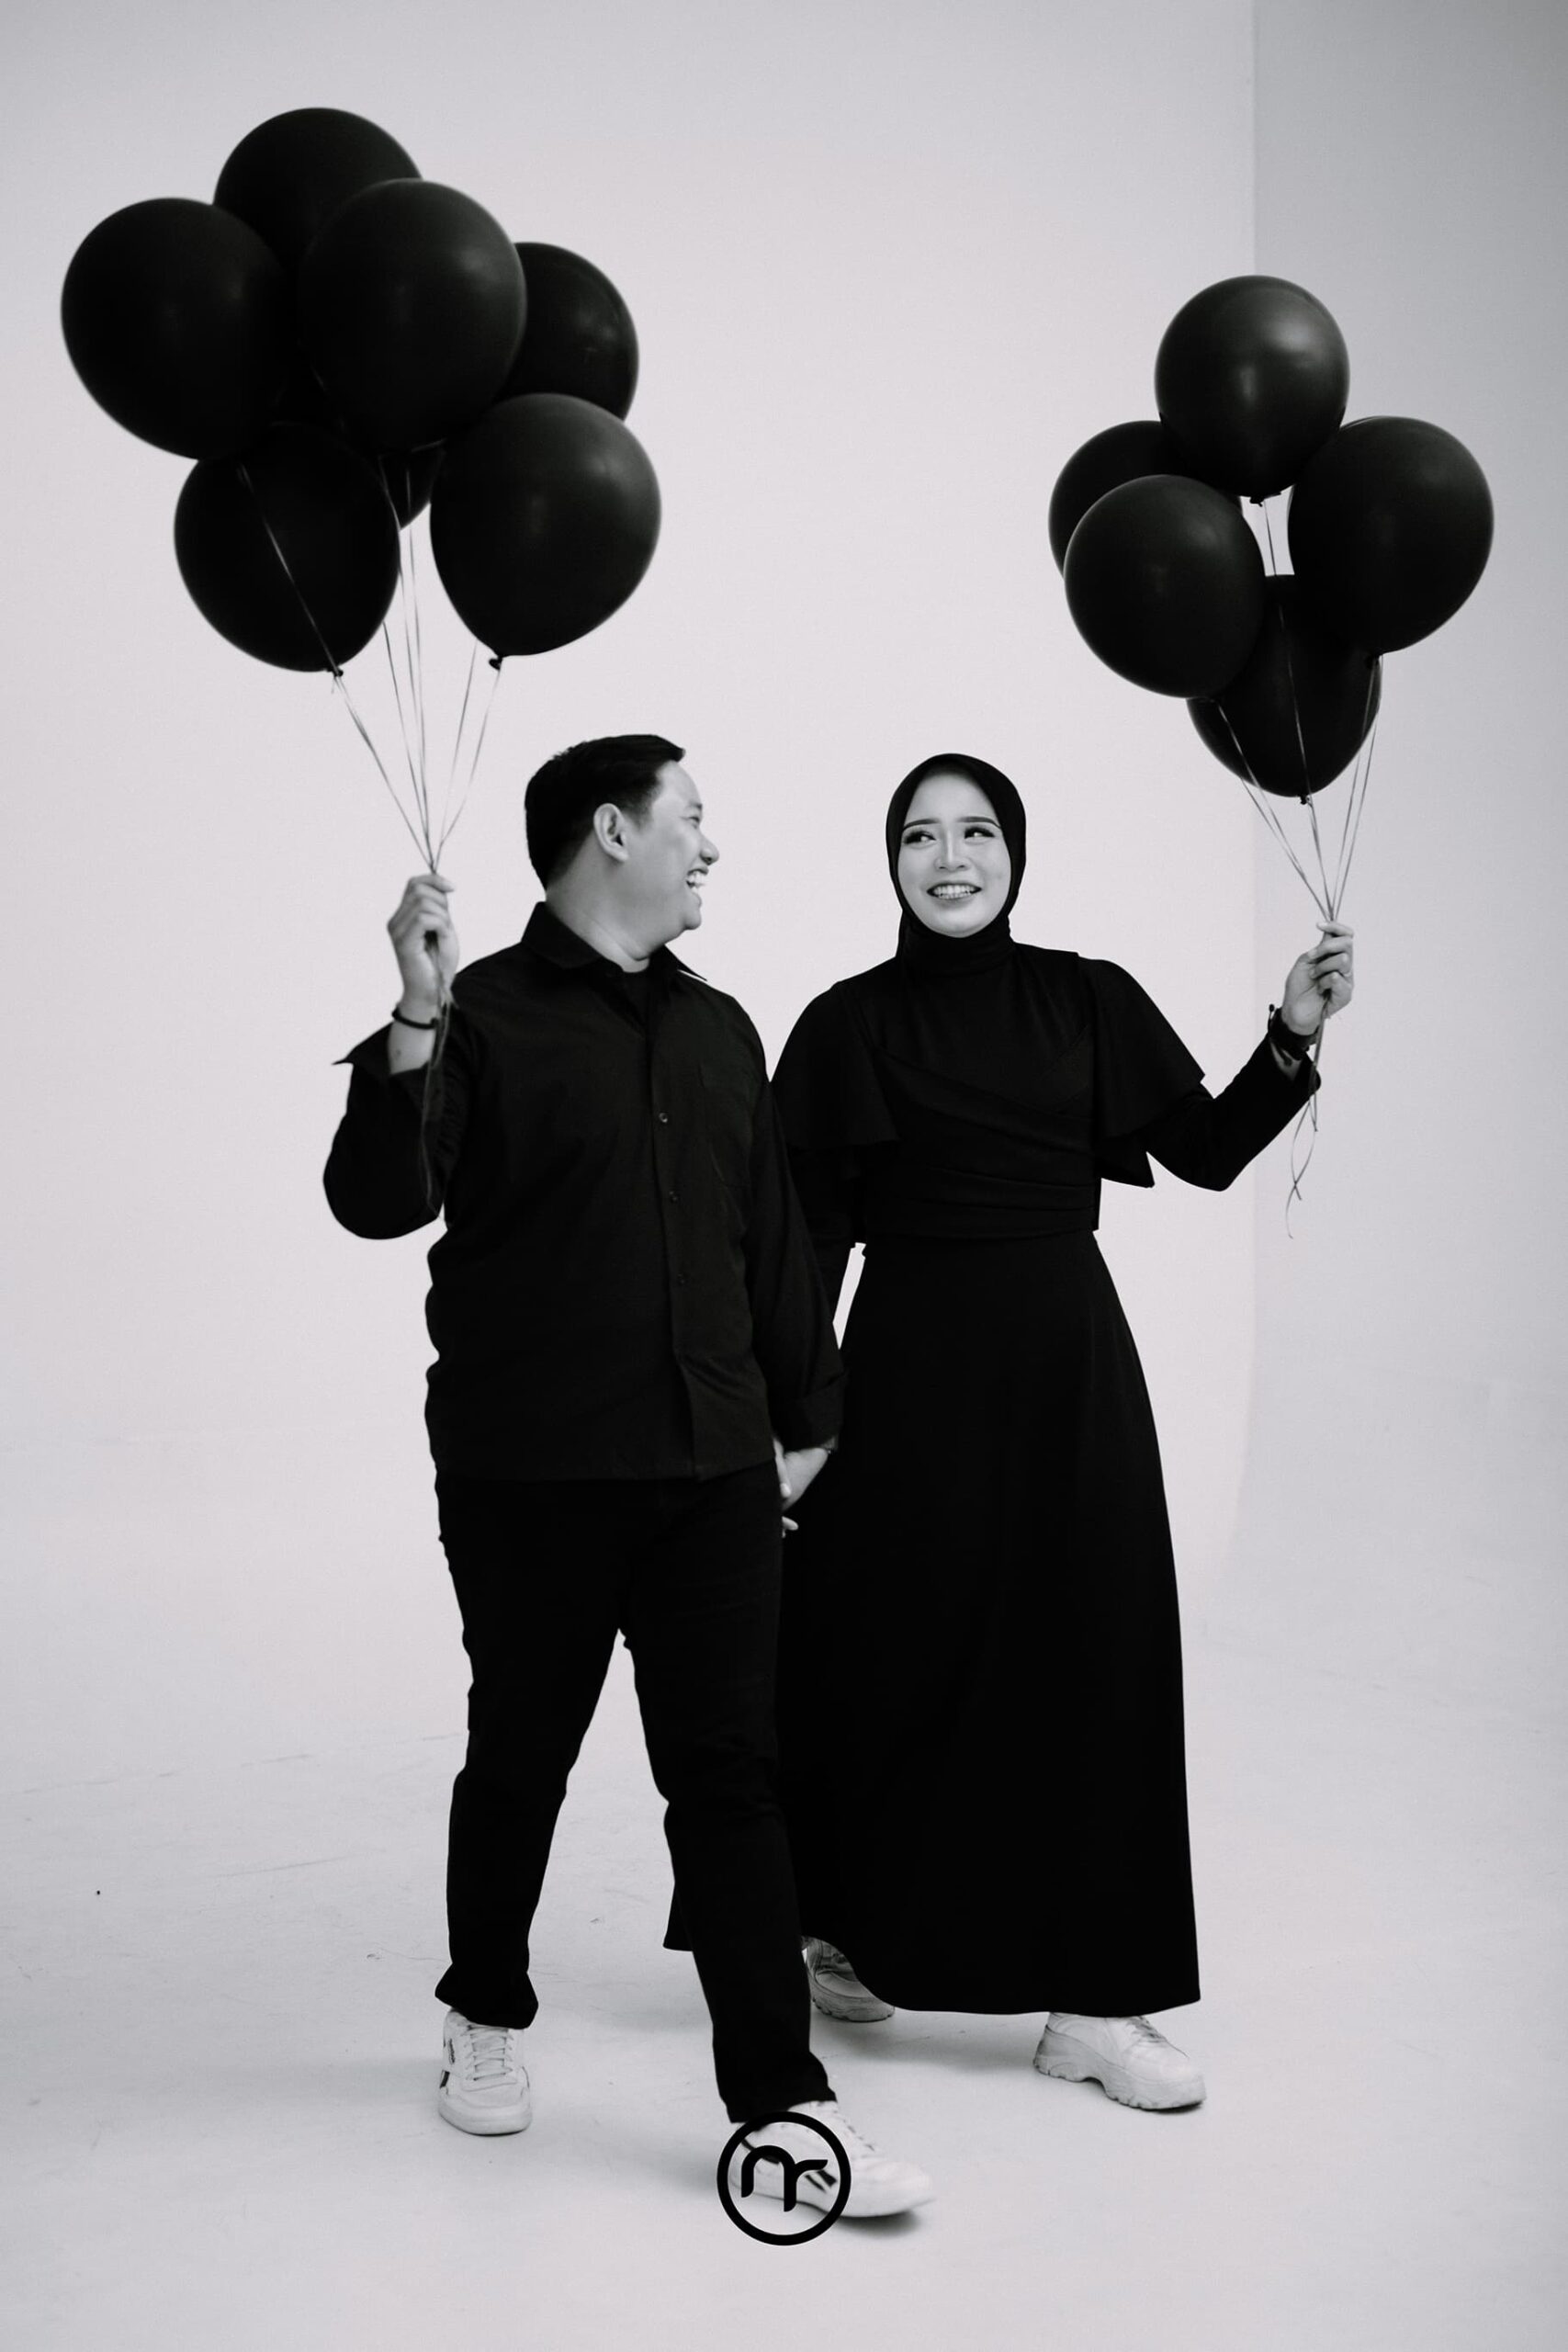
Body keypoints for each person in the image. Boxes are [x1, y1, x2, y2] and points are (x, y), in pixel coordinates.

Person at [322, 734, 932, 2218]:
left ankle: (782, 2102)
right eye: (691, 818)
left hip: (715, 1469)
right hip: (531, 1474)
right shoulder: (478, 1015)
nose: (711, 847)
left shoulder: (721, 1030)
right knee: (521, 1753)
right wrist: (414, 1013)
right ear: (613, 829)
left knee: (730, 1777)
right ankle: (483, 2009)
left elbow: (770, 1244)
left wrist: (809, 1420)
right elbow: (377, 1200)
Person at [763, 752, 1354, 2112]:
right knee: (874, 1649)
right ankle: (842, 1930)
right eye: (921, 836)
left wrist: (1290, 1035)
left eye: (977, 832)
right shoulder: (846, 1024)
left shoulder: (1086, 998)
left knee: (1097, 1658)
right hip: (902, 1379)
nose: (950, 859)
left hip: (1064, 1369)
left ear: (1017, 854)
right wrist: (795, 1420)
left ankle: (1094, 2005)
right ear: (891, 862)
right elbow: (808, 1247)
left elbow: (1206, 1150)